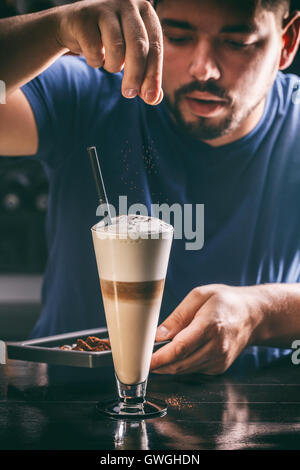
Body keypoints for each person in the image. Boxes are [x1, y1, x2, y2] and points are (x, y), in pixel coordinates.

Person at [0, 0, 300, 377]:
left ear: (287, 42)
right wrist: (55, 30)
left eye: (237, 43)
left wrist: (263, 313)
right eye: (177, 37)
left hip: (255, 415)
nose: (203, 69)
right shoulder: (88, 92)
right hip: (67, 410)